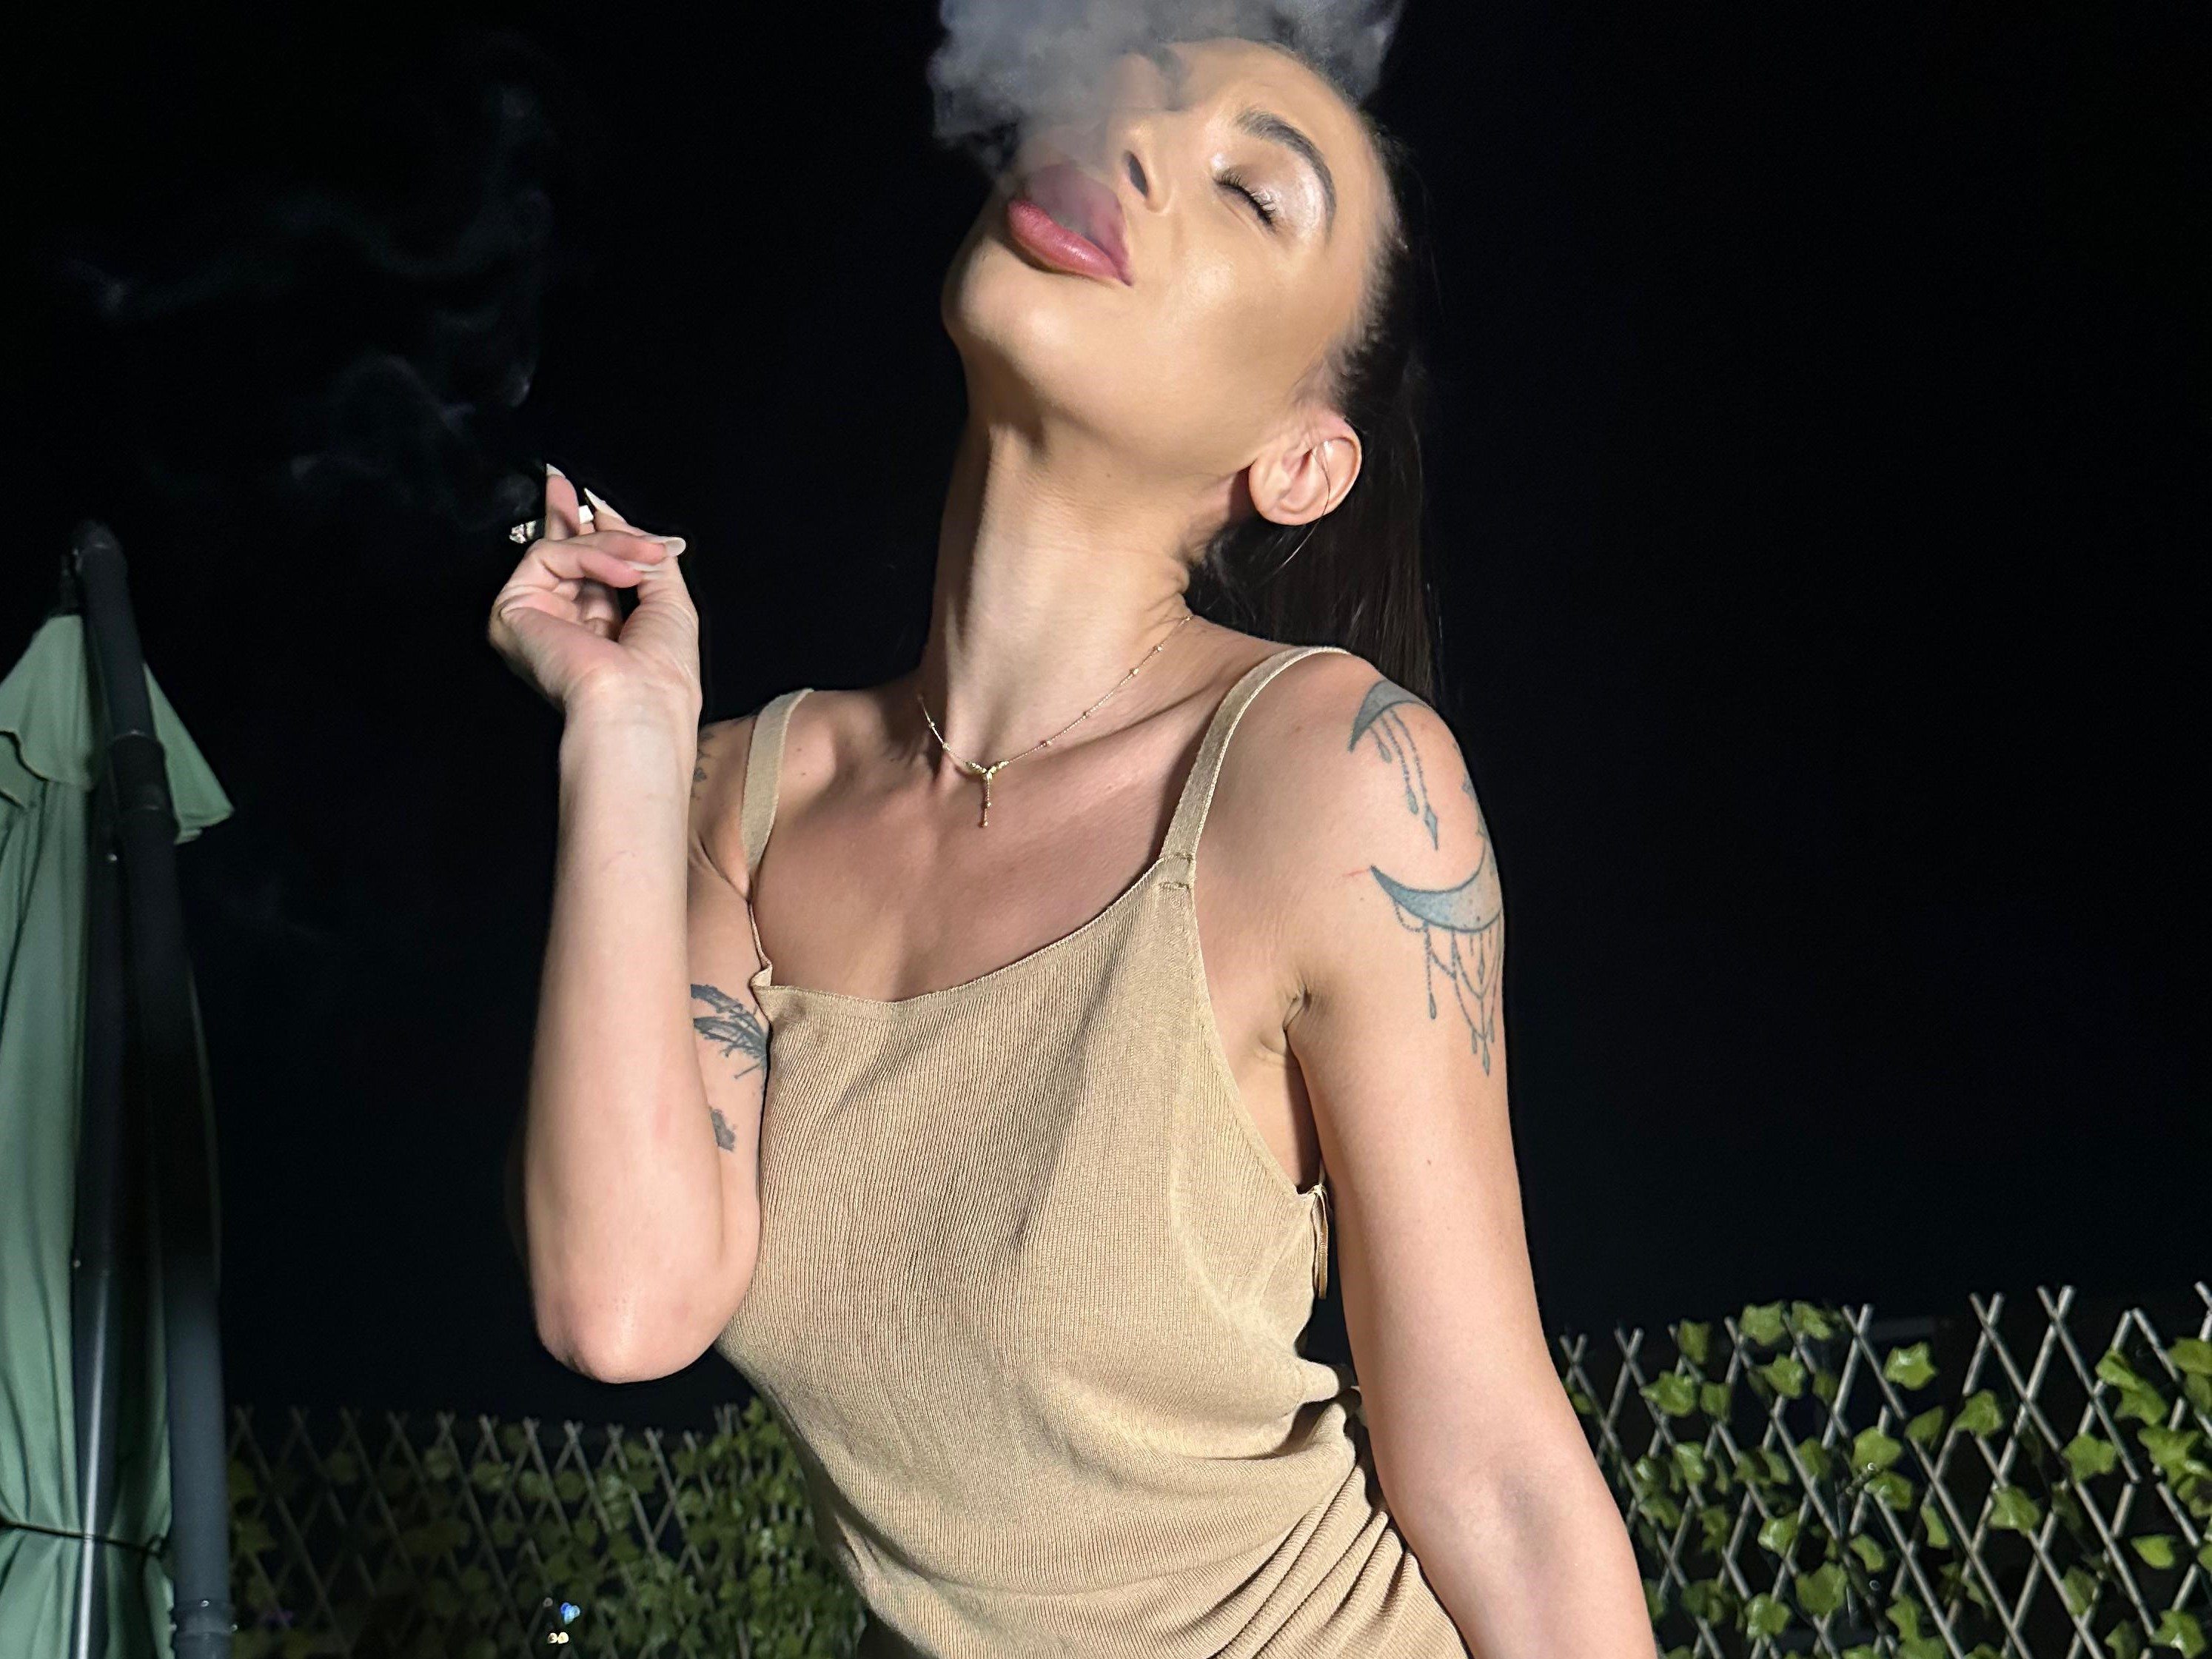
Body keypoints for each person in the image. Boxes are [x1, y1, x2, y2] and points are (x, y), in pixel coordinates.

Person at [488, 35, 1649, 1659]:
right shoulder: (736, 800)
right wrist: (623, 736)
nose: (1137, 145)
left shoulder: (1326, 778)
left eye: (1251, 191)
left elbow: (1498, 1476)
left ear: (1297, 460)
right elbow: (621, 1307)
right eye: (1134, 95)